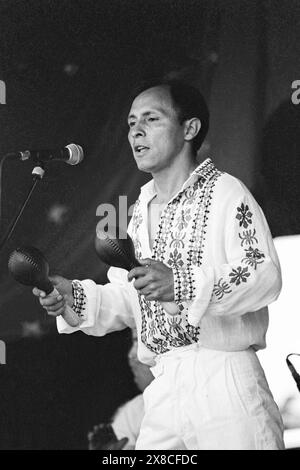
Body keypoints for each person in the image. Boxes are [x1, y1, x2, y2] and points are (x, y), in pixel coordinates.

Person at [32, 78, 285, 450]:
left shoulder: (225, 193)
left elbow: (263, 274)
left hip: (223, 378)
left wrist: (181, 284)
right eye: (132, 122)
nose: (136, 130)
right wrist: (74, 297)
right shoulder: (136, 213)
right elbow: (127, 298)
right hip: (164, 384)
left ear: (190, 128)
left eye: (151, 119)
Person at [87, 328, 154, 450]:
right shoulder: (133, 412)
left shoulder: (194, 394)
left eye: (138, 341)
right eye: (133, 341)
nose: (131, 356)